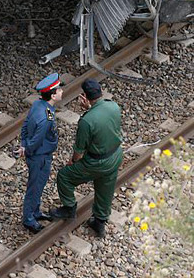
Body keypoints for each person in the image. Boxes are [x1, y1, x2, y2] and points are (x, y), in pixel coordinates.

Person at [49, 79, 123, 238]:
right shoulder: (113, 106)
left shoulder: (86, 121)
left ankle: (69, 208)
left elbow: (79, 152)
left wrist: (72, 162)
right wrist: (91, 108)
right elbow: (103, 121)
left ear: (85, 96)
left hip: (96, 162)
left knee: (64, 176)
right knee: (105, 187)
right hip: (115, 156)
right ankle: (100, 222)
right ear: (101, 90)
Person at [19, 72, 64, 233]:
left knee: (37, 185)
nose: (61, 91)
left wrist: (24, 144)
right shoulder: (47, 118)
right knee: (35, 187)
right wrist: (28, 149)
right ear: (52, 95)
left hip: (37, 154)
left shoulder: (38, 105)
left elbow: (25, 126)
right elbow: (37, 140)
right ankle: (29, 219)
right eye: (59, 90)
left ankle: (36, 211)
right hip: (40, 157)